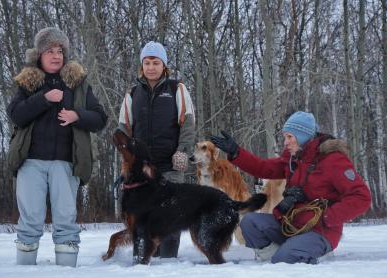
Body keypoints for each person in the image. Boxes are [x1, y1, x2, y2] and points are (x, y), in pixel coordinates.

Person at [210, 111, 371, 264]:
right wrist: (236, 152)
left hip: (320, 231)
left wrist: (327, 217)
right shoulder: (293, 159)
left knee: (286, 257)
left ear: (302, 138)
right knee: (250, 222)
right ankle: (274, 262)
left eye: (289, 137)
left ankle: (300, 254)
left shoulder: (333, 161)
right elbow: (263, 168)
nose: (285, 142)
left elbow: (361, 196)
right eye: (284, 137)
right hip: (291, 224)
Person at [7, 27, 108, 267]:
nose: (56, 55)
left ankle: (67, 273)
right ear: (39, 55)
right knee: (30, 218)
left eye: (60, 50)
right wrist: (43, 99)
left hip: (66, 163)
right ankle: (23, 273)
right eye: (50, 50)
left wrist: (77, 115)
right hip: (30, 162)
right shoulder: (28, 82)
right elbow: (16, 115)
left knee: (65, 219)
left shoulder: (78, 83)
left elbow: (100, 118)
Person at [118, 41, 196, 258]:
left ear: (164, 66)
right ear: (141, 66)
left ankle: (169, 262)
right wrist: (127, 160)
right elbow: (123, 128)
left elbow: (188, 123)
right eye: (147, 62)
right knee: (144, 215)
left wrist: (183, 151)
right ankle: (145, 260)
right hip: (143, 170)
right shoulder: (132, 93)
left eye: (155, 62)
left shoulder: (176, 89)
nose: (151, 67)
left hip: (171, 164)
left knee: (171, 216)